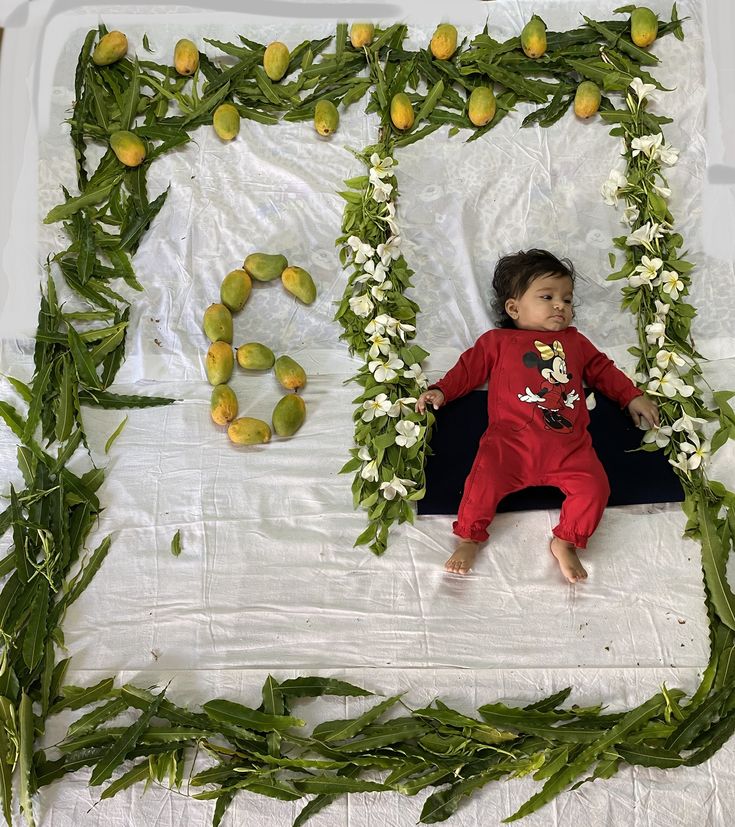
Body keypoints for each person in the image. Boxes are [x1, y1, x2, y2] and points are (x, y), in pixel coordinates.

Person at [416, 249, 660, 584]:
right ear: (514, 308)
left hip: (570, 449)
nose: (561, 305)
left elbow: (603, 370)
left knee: (595, 488)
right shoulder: (497, 341)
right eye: (547, 297)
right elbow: (468, 370)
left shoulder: (575, 342)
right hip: (509, 445)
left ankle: (566, 540)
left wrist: (631, 395)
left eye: (568, 299)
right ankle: (470, 538)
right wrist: (442, 390)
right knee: (480, 483)